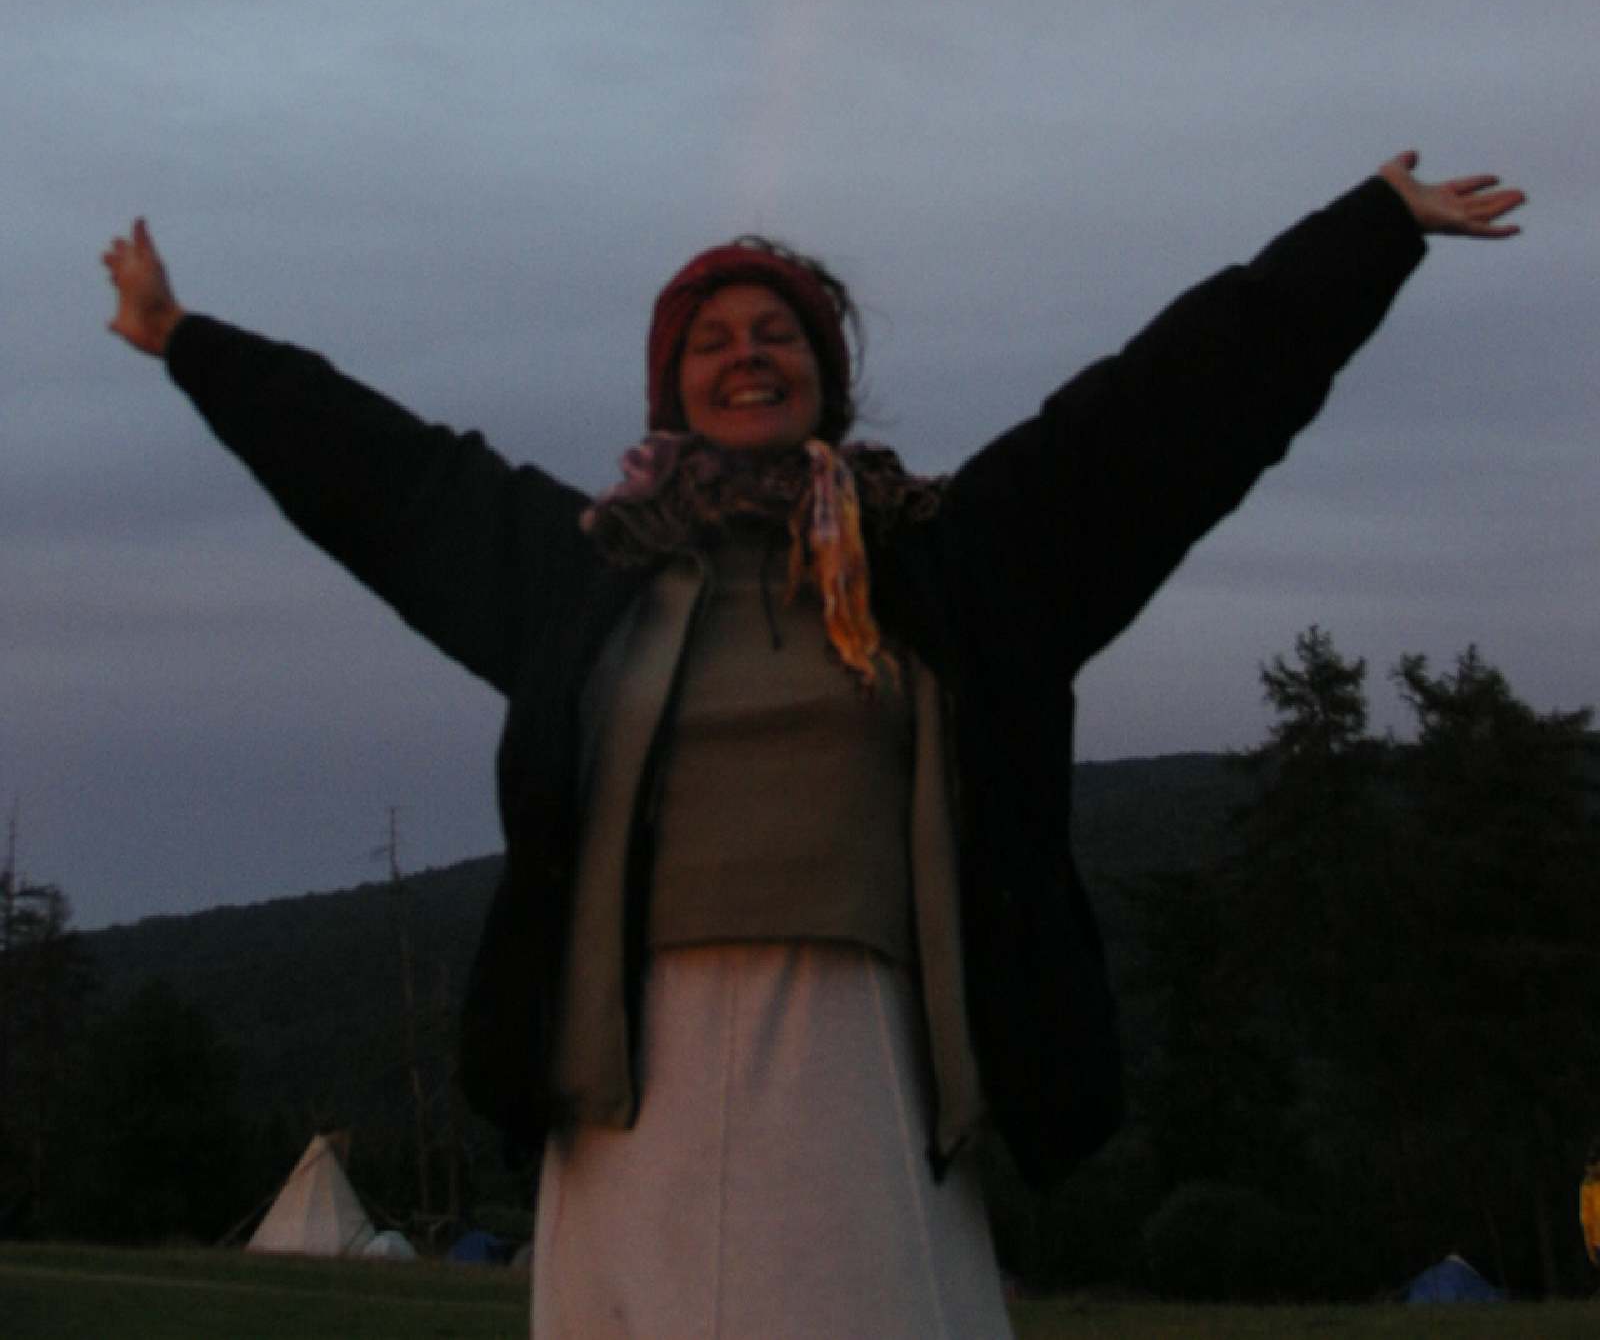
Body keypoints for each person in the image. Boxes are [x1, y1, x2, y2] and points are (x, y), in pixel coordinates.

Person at [102, 150, 1522, 1338]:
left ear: (824, 376)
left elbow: (1160, 416)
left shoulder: (950, 564)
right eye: (712, 339)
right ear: (672, 387)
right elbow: (386, 472)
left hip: (859, 1065)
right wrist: (189, 342)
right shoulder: (584, 574)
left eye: (776, 333)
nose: (747, 354)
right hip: (623, 1077)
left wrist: (1368, 231)